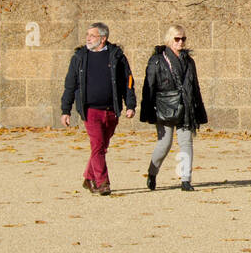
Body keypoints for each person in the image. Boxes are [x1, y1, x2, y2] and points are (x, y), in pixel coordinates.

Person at [60, 22, 136, 196]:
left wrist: (130, 105)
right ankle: (103, 183)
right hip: (90, 110)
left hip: (111, 110)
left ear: (103, 38)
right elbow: (70, 85)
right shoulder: (79, 57)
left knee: (102, 147)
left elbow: (128, 82)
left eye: (92, 35)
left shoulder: (116, 56)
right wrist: (65, 110)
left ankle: (88, 177)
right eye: (87, 35)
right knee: (97, 146)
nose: (88, 38)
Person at [141, 25, 207, 191]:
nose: (181, 42)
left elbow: (195, 87)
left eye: (183, 38)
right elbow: (149, 86)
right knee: (164, 144)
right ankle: (152, 173)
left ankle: (185, 180)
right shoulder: (157, 60)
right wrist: (147, 111)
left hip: (186, 106)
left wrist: (199, 111)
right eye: (177, 39)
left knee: (186, 142)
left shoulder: (189, 61)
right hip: (165, 106)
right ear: (169, 39)